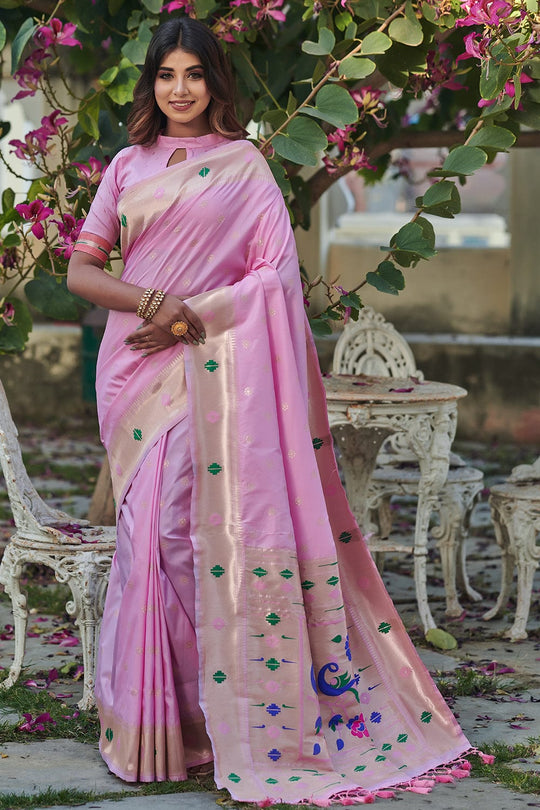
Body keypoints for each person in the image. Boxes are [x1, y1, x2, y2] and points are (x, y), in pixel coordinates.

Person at [68, 17, 475, 805]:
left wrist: (193, 314)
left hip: (207, 365)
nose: (178, 89)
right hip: (134, 369)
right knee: (144, 536)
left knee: (182, 533)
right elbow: (84, 271)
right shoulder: (126, 165)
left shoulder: (245, 165)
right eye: (165, 75)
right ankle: (154, 725)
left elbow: (274, 280)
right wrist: (155, 301)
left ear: (216, 83)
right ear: (150, 84)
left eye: (193, 74)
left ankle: (209, 721)